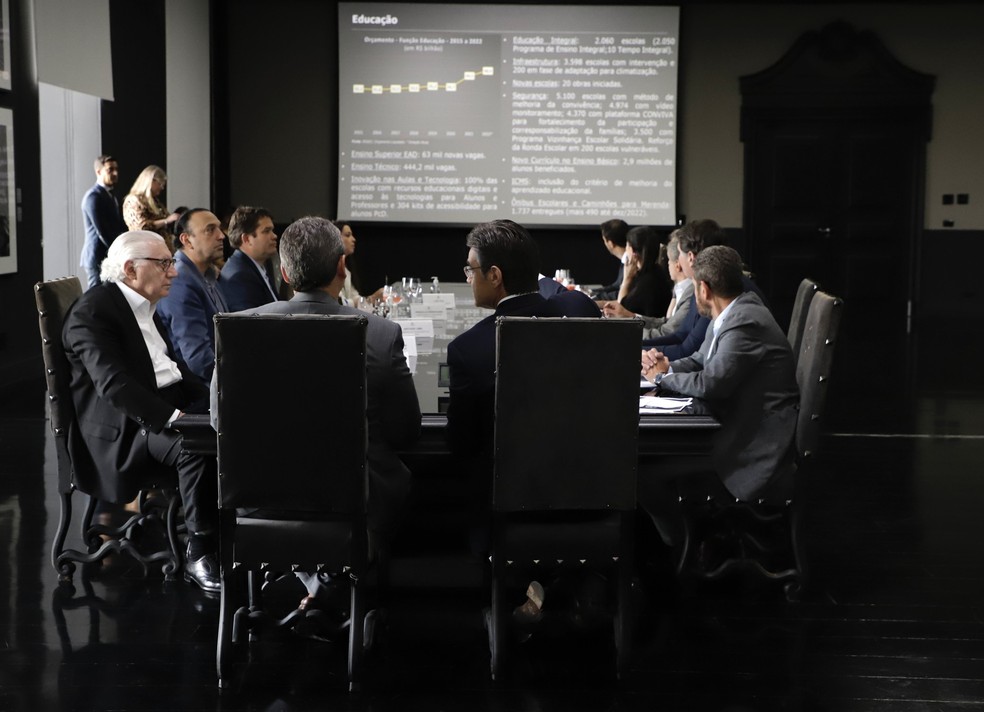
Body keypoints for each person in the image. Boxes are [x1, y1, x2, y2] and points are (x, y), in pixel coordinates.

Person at [211, 216, 421, 606]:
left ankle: (316, 584)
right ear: (342, 267)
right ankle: (332, 584)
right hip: (355, 505)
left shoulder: (238, 330)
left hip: (260, 503)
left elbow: (218, 422)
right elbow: (406, 430)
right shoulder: (380, 334)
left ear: (286, 273)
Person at [62, 231, 220, 593]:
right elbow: (115, 386)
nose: (174, 272)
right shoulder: (93, 312)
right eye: (164, 263)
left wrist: (217, 398)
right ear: (131, 269)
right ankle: (200, 550)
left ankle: (233, 529)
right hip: (124, 430)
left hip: (160, 406)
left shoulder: (146, 304)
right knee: (195, 444)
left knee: (231, 424)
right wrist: (177, 420)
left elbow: (174, 370)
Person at [639, 245, 799, 545]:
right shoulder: (734, 309)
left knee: (643, 476)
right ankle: (681, 543)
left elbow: (711, 384)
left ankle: (680, 548)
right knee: (647, 465)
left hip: (752, 446)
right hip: (735, 428)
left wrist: (663, 377)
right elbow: (701, 359)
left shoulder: (744, 322)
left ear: (703, 288)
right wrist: (665, 364)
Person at [156, 208, 229, 383]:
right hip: (201, 390)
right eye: (210, 230)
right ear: (186, 239)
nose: (221, 236)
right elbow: (198, 360)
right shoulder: (180, 279)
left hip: (217, 378)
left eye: (219, 228)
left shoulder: (206, 274)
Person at [602, 225, 673, 318]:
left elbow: (621, 311)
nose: (625, 250)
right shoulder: (656, 272)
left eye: (627, 246)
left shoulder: (646, 282)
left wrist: (626, 280)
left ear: (633, 252)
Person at [80, 155, 127, 290]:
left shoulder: (110, 195)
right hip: (97, 256)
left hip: (107, 255)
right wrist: (120, 252)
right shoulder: (93, 197)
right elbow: (102, 231)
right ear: (98, 172)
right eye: (110, 169)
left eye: (116, 169)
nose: (115, 173)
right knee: (95, 297)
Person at [219, 206, 281, 311]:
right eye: (266, 231)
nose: (274, 236)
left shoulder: (257, 266)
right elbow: (248, 324)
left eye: (272, 230)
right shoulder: (239, 276)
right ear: (246, 239)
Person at [639, 232, 694, 339]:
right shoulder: (678, 288)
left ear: (677, 265)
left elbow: (667, 331)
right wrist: (631, 317)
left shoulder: (690, 293)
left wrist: (628, 331)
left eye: (668, 260)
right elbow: (667, 322)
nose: (667, 264)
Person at [122, 165, 181, 251]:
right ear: (150, 181)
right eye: (160, 183)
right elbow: (140, 227)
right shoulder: (133, 201)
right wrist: (166, 221)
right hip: (145, 250)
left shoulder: (155, 201)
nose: (162, 188)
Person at [333, 220, 384, 306]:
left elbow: (354, 297)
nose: (353, 239)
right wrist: (373, 298)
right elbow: (340, 302)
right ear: (335, 238)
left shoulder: (347, 269)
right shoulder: (329, 268)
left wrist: (372, 298)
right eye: (348, 235)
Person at [592, 218, 629, 301]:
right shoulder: (625, 259)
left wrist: (597, 297)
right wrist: (592, 292)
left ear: (610, 243)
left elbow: (622, 292)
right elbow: (616, 285)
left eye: (604, 241)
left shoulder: (630, 262)